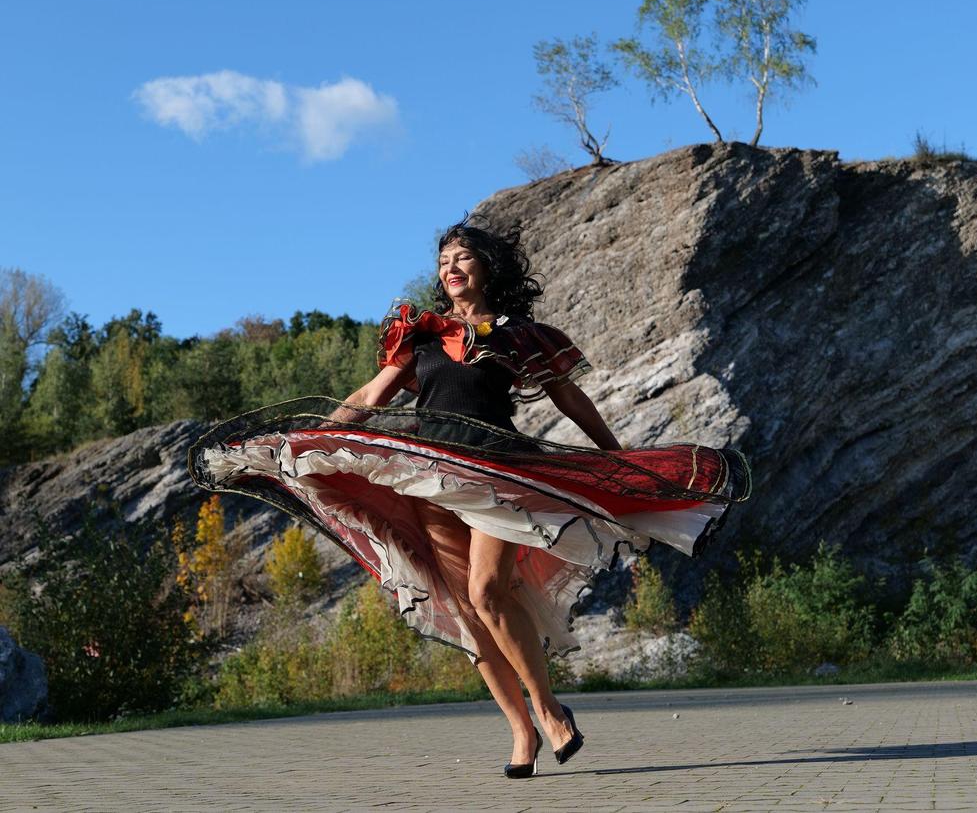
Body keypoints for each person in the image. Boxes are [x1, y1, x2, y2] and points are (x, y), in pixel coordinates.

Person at [187, 214, 751, 779]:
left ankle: (551, 711)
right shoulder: (422, 334)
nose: (450, 268)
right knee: (467, 611)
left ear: (486, 267)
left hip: (497, 473)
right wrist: (312, 442)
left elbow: (568, 397)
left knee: (487, 590)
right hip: (430, 476)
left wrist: (615, 455)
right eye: (442, 262)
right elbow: (371, 394)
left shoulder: (517, 335)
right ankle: (521, 731)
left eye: (461, 258)